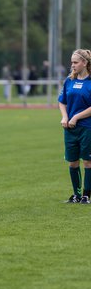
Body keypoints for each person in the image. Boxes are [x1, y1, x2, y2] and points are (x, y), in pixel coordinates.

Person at [58, 49, 91, 204]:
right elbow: (62, 101)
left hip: (87, 127)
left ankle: (86, 195)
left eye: (75, 62)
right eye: (71, 62)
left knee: (88, 162)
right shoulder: (69, 80)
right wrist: (65, 116)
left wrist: (76, 117)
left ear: (85, 63)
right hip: (70, 128)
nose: (72, 65)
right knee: (72, 162)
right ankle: (76, 194)